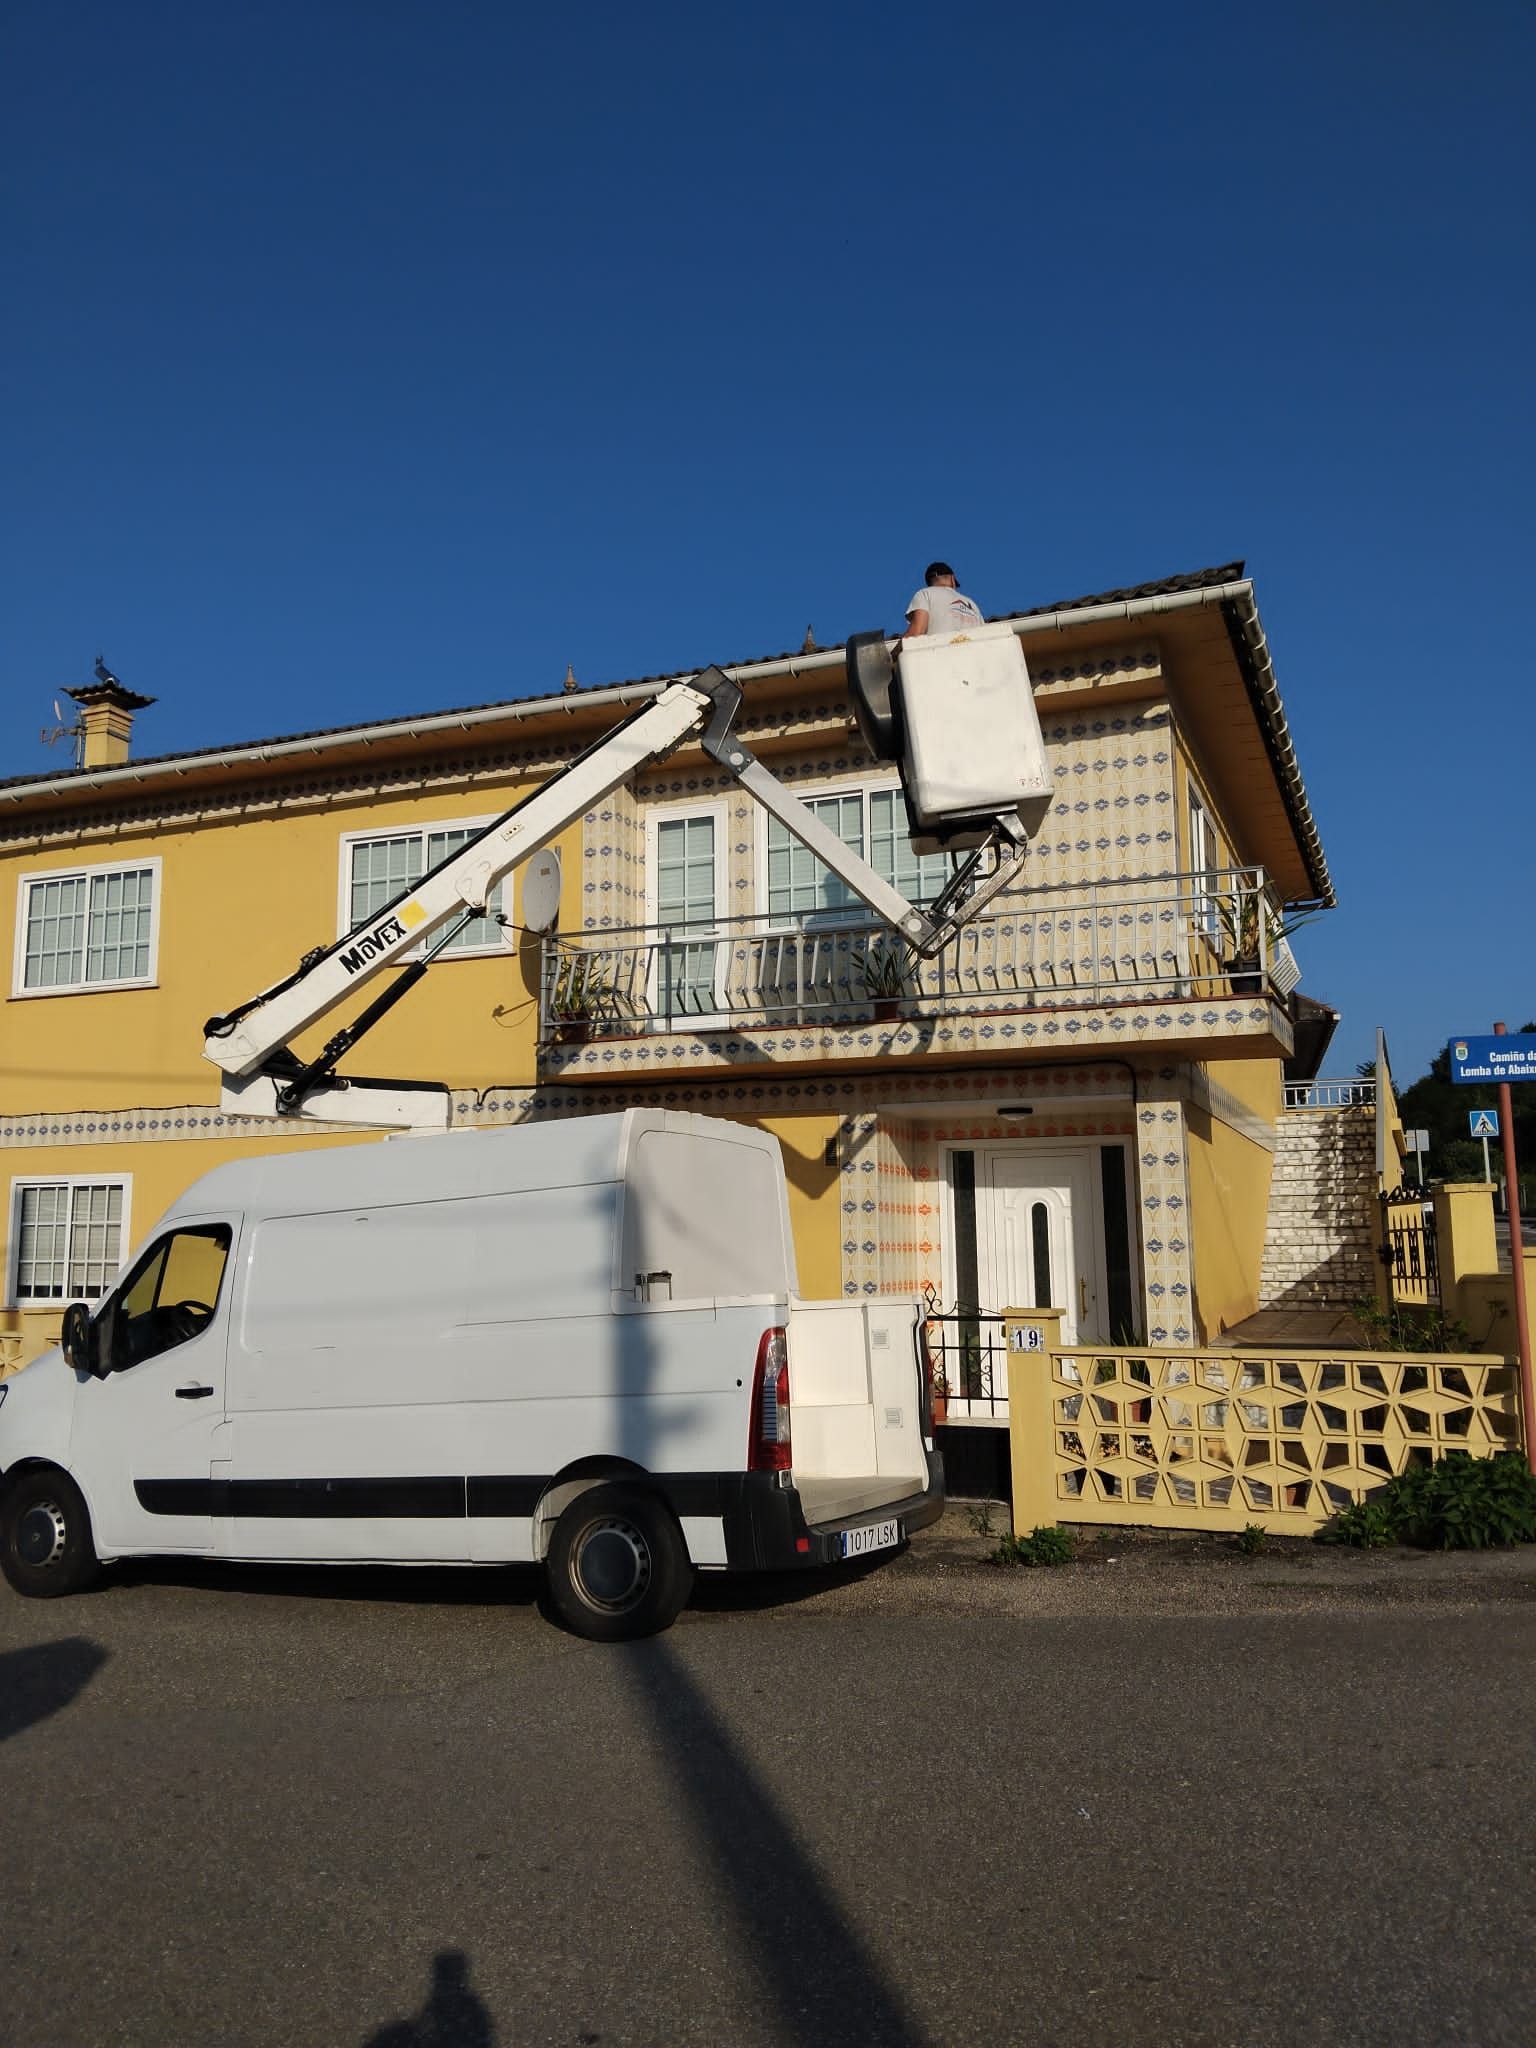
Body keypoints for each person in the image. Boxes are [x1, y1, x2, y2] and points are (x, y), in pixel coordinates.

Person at [903, 561, 984, 638]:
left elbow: (917, 633)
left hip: (939, 648)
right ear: (952, 579)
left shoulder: (925, 594)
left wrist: (897, 646)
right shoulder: (972, 604)